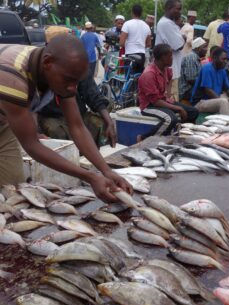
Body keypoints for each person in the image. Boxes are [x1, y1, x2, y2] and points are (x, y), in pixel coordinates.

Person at [0, 34, 131, 201]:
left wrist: (106, 171)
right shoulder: (12, 78)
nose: (73, 88)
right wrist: (90, 177)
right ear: (47, 63)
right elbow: (31, 145)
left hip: (2, 126)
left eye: (76, 82)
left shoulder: (57, 69)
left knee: (11, 192)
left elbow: (76, 126)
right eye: (69, 81)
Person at [138, 44, 198, 141]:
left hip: (162, 101)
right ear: (163, 57)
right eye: (170, 56)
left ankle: (181, 135)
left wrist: (169, 98)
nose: (172, 58)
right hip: (149, 106)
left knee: (193, 111)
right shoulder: (148, 74)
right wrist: (178, 108)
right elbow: (155, 101)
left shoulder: (166, 69)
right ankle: (144, 138)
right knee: (170, 119)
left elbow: (168, 84)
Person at [38, 76, 116, 148]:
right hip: (50, 116)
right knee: (58, 133)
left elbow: (92, 94)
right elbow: (30, 107)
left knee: (101, 125)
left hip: (77, 113)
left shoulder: (79, 65)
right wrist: (36, 133)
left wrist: (109, 121)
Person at [191, 47, 229, 115]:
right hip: (200, 102)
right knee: (223, 102)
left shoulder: (222, 70)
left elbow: (228, 89)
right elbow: (208, 91)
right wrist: (226, 102)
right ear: (215, 58)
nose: (226, 61)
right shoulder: (207, 68)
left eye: (226, 59)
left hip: (214, 99)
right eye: (223, 59)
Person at [156, 0, 186, 101]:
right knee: (171, 99)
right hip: (170, 69)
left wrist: (182, 38)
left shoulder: (169, 23)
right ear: (169, 8)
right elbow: (179, 45)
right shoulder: (166, 24)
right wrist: (183, 38)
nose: (180, 12)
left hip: (171, 69)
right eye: (178, 9)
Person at [120, 5, 151, 74]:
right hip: (141, 55)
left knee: (128, 79)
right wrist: (141, 45)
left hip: (130, 54)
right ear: (141, 13)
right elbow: (149, 44)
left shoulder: (127, 24)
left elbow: (121, 43)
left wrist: (130, 45)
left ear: (132, 12)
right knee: (138, 77)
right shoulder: (146, 26)